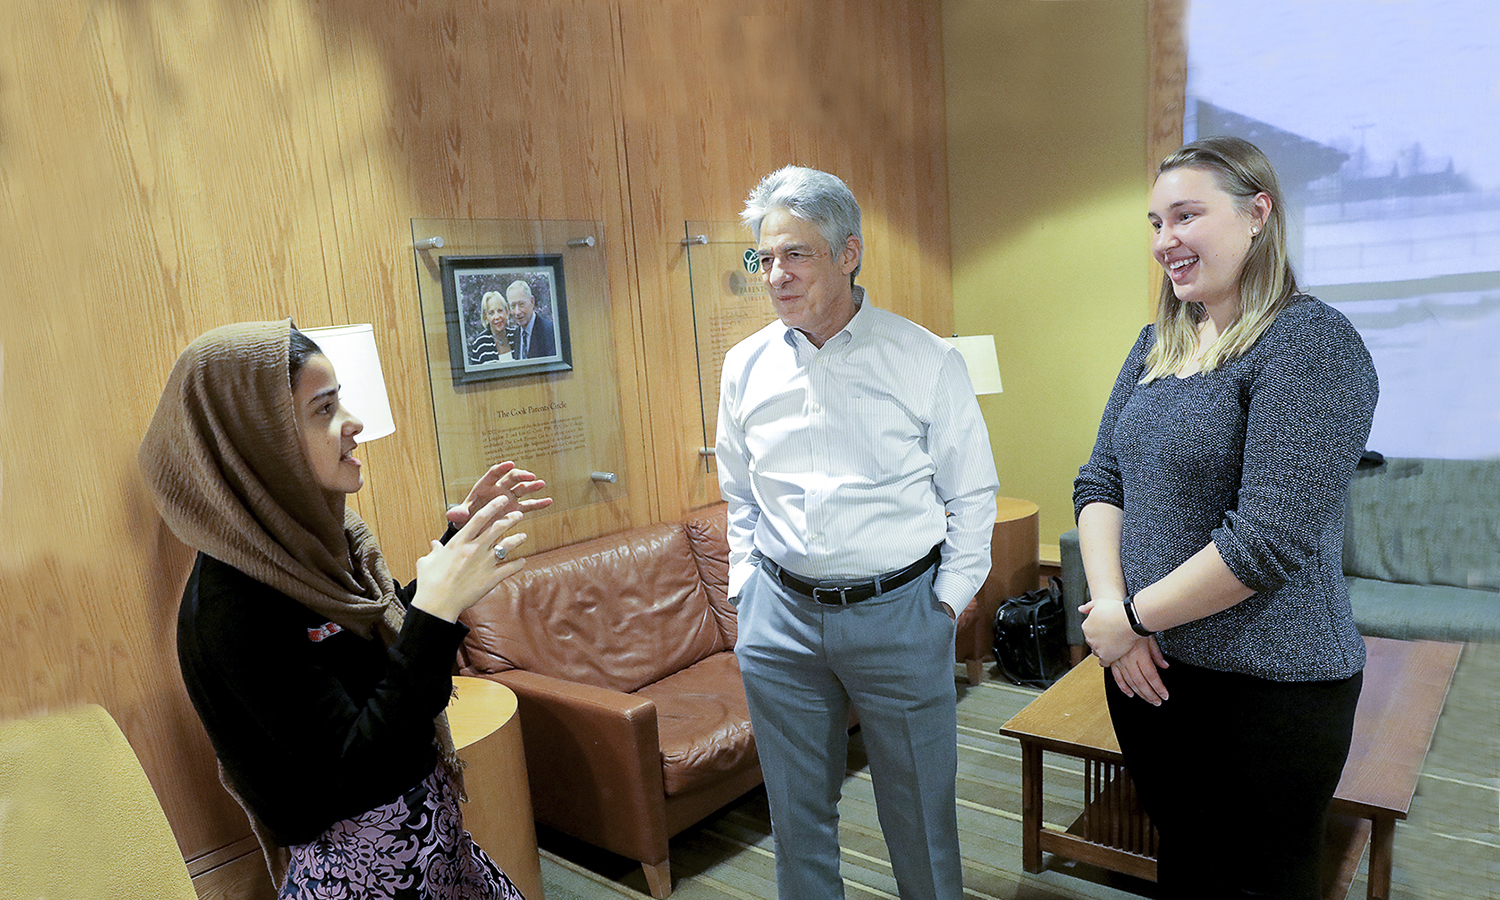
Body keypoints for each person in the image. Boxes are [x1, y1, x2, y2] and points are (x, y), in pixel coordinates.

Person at [139, 320, 552, 899]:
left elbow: (366, 653)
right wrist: (435, 612)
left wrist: (456, 549)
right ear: (259, 443)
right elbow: (360, 771)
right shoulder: (230, 608)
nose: (353, 425)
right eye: (324, 409)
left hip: (432, 851)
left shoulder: (312, 548)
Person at [1073, 136, 1378, 900]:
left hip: (1268, 693)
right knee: (1183, 866)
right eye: (1153, 223)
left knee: (1258, 883)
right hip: (1151, 673)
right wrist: (1114, 614)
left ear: (1256, 215)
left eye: (1185, 216)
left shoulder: (1309, 340)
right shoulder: (1157, 343)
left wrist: (1133, 617)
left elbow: (1267, 539)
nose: (1164, 241)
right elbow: (1099, 479)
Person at [717, 165, 999, 900]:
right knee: (798, 819)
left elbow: (972, 493)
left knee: (920, 817)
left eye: (796, 254)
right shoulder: (743, 368)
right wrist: (747, 592)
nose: (775, 275)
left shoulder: (926, 358)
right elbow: (739, 496)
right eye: (764, 258)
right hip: (779, 621)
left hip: (899, 614)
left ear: (849, 253)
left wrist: (947, 601)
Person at [507, 280, 554, 359]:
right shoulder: (514, 336)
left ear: (532, 301)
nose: (517, 312)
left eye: (521, 304)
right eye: (513, 306)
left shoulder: (550, 332)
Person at [468, 290, 516, 366]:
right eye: (491, 313)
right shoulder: (480, 344)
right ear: (485, 317)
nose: (497, 317)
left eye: (500, 311)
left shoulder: (517, 336)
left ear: (507, 312)